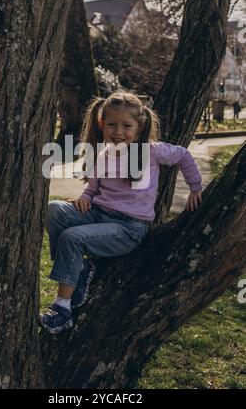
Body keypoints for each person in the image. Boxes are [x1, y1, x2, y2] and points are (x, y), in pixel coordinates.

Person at [39, 92, 203, 334]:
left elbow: (183, 156)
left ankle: (62, 310)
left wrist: (195, 187)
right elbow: (92, 188)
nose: (118, 132)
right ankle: (77, 270)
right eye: (112, 125)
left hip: (128, 228)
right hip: (98, 214)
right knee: (54, 210)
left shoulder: (151, 151)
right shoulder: (102, 153)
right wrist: (85, 197)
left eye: (126, 126)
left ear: (140, 126)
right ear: (102, 124)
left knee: (72, 237)